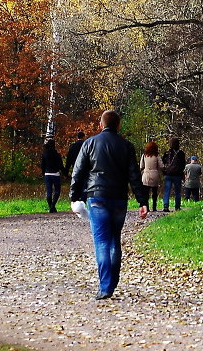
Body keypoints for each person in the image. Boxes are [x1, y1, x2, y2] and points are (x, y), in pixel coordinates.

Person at [69, 109, 148, 300]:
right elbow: (134, 176)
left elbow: (78, 172)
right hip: (119, 199)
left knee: (102, 241)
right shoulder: (127, 146)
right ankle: (111, 283)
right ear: (118, 125)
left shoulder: (89, 143)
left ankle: (105, 286)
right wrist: (142, 200)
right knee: (114, 241)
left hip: (97, 197)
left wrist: (74, 197)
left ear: (100, 125)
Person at [161, 138, 186, 212]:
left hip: (168, 174)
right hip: (177, 175)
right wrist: (181, 172)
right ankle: (177, 206)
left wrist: (164, 172)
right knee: (177, 191)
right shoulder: (181, 153)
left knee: (166, 191)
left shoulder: (167, 153)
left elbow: (163, 163)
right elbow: (183, 164)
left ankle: (166, 206)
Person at [139, 141, 163, 212]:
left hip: (146, 175)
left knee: (146, 193)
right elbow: (161, 166)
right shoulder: (157, 156)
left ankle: (147, 207)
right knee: (154, 192)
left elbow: (141, 166)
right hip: (154, 174)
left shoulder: (144, 155)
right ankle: (154, 207)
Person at [41, 139, 64, 213]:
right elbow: (61, 166)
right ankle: (52, 206)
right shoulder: (57, 155)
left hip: (47, 174)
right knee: (57, 191)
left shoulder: (44, 154)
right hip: (56, 174)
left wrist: (43, 173)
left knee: (49, 192)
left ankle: (51, 206)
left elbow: (42, 165)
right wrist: (65, 173)